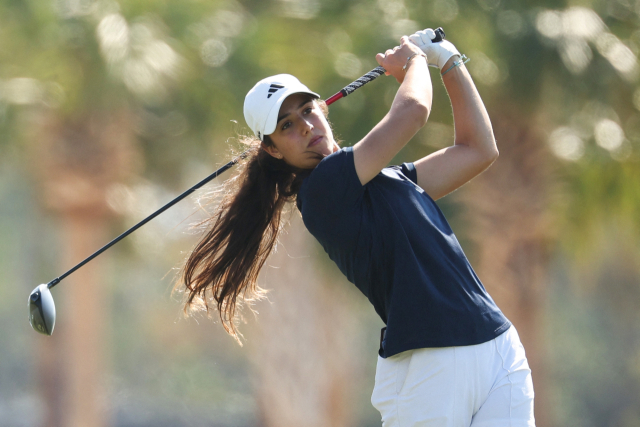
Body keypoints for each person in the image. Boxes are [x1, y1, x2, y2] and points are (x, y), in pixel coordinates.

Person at [178, 28, 535, 426]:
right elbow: (412, 111)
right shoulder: (321, 190)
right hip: (429, 366)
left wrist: (449, 60)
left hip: (496, 347)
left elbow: (478, 150)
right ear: (273, 150)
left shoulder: (394, 180)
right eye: (287, 126)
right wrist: (416, 61)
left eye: (308, 111)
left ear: (323, 109)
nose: (307, 127)